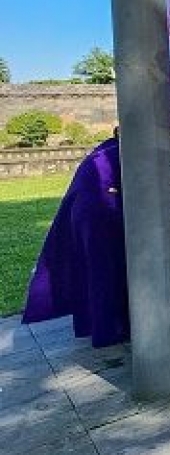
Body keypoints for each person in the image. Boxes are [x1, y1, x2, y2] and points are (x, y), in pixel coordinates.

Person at [23, 130, 130, 348]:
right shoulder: (123, 152)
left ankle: (94, 325)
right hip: (100, 212)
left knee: (93, 270)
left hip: (84, 211)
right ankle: (109, 331)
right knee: (106, 273)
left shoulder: (106, 149)